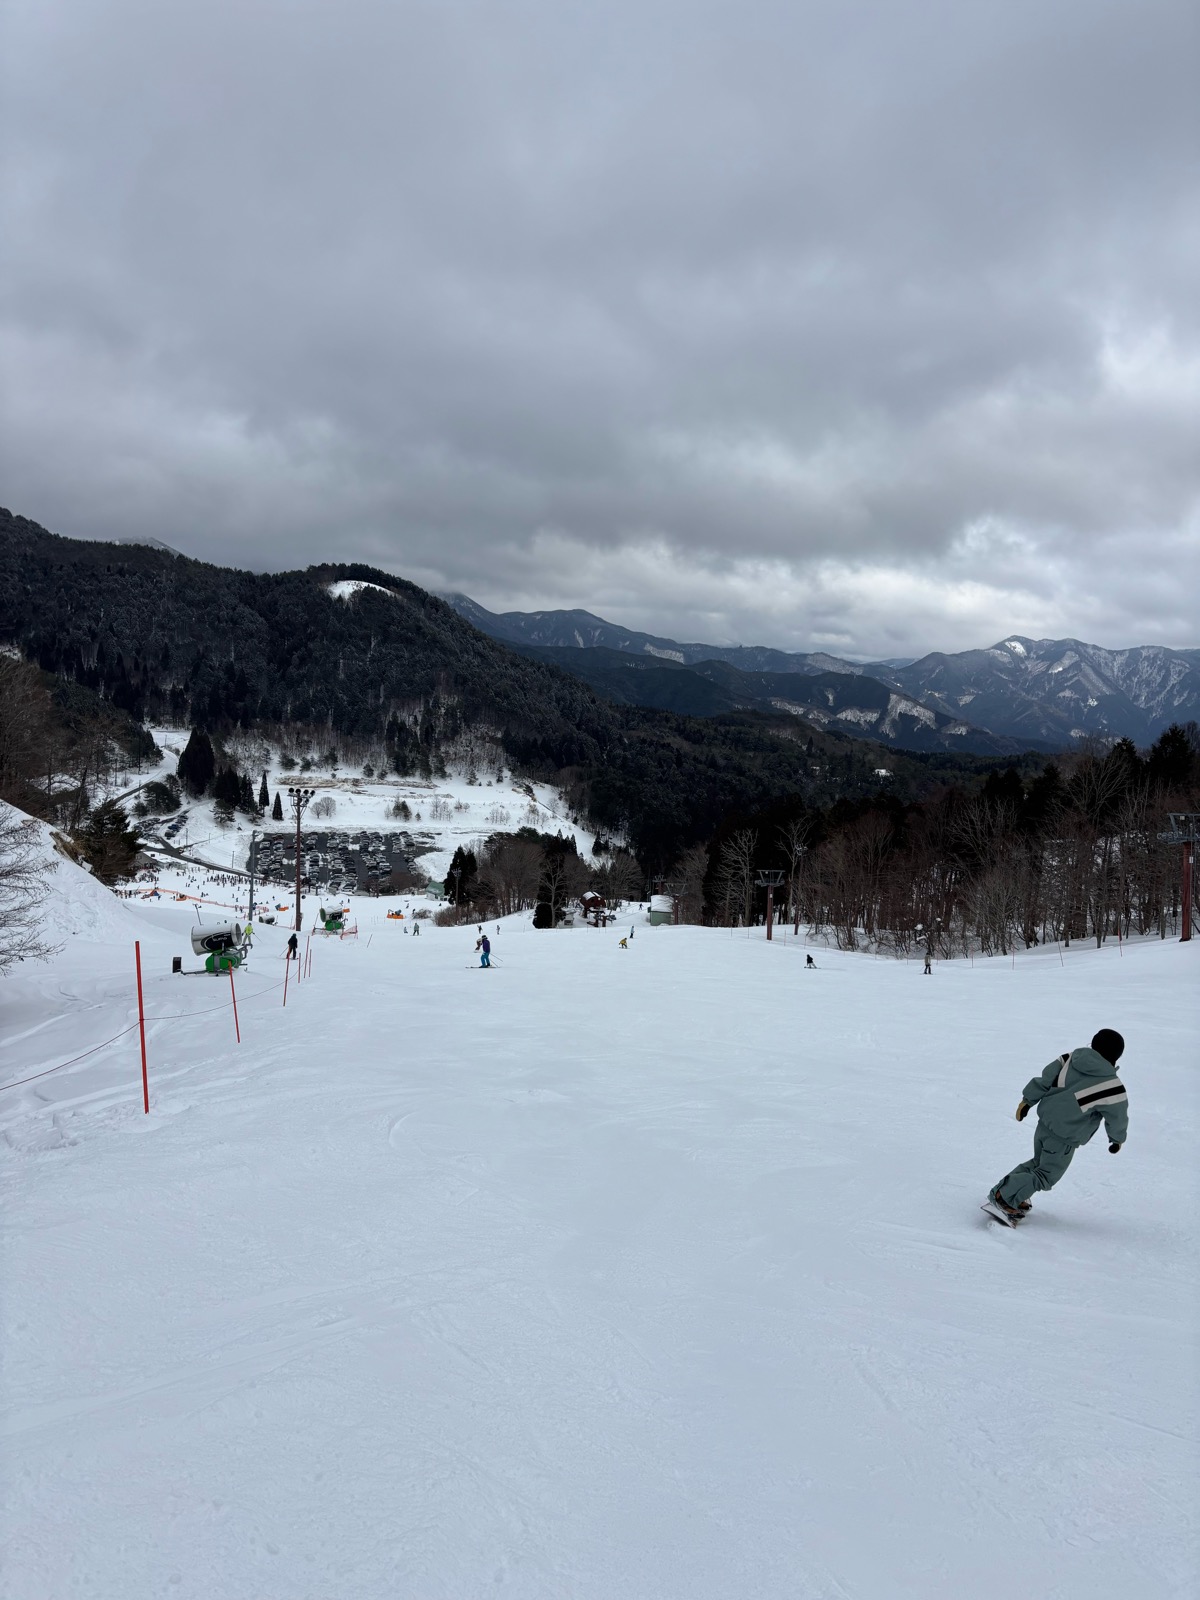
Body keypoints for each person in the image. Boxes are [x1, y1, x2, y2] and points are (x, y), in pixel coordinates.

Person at [985, 1029, 1128, 1223]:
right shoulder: (1111, 1086)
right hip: (1063, 1138)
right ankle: (1005, 1198)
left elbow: (1045, 1080)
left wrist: (1027, 1101)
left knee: (1038, 1164)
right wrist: (1117, 1139)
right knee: (1046, 1175)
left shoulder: (1069, 1059)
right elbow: (1117, 1116)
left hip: (1044, 1126)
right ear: (1117, 1055)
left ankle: (1005, 1192)